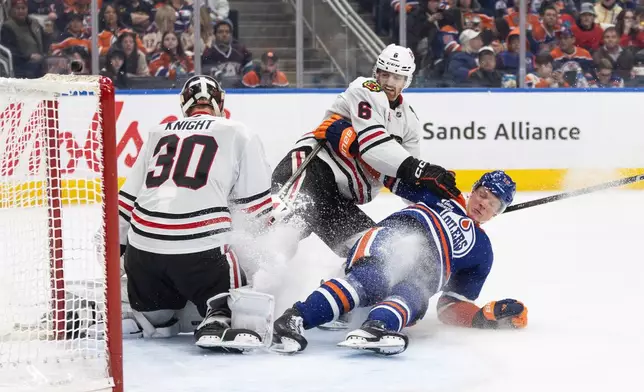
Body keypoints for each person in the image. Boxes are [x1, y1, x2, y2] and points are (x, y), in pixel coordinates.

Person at [271, 171, 528, 355]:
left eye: (493, 203)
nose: (483, 204)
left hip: (426, 271)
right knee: (371, 281)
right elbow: (390, 172)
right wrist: (424, 172)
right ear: (473, 189)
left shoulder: (483, 252)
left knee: (414, 296)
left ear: (498, 213)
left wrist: (480, 318)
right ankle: (295, 318)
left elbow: (449, 306)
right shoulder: (442, 194)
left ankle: (377, 327)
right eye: (482, 194)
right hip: (392, 238)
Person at [117, 75, 273, 352]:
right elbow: (255, 213)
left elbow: (124, 206)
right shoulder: (239, 131)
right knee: (237, 253)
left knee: (158, 314)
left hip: (143, 257)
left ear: (183, 104)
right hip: (202, 258)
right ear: (220, 102)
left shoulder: (158, 132)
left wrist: (120, 255)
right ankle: (219, 312)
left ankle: (150, 316)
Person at [271, 44, 461, 261]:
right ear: (376, 73)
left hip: (339, 198)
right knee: (280, 225)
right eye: (385, 74)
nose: (389, 82)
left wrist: (446, 205)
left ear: (406, 81)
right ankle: (244, 280)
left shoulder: (409, 122)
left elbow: (404, 177)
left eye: (397, 77)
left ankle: (342, 292)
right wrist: (421, 169)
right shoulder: (366, 89)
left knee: (377, 254)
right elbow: (375, 147)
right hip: (313, 171)